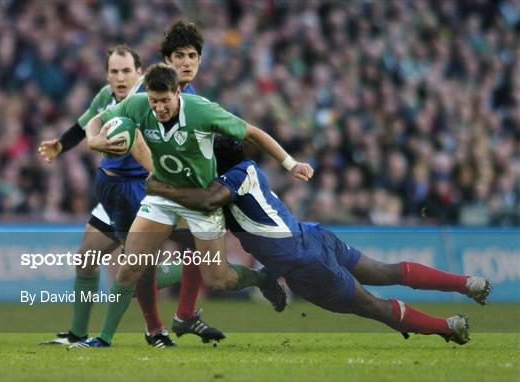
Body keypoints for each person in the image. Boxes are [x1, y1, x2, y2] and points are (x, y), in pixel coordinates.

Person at [143, 137, 493, 345]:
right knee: (385, 272)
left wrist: (161, 187)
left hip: (305, 263)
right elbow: (200, 225)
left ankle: (447, 327)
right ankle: (467, 284)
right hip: (313, 235)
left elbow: (207, 203)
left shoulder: (229, 182)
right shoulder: (247, 171)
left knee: (373, 307)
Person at [71, 63, 312, 348]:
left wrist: (290, 163)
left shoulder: (201, 110)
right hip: (161, 196)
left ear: (177, 93)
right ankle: (103, 339)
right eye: (154, 100)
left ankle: (261, 279)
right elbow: (97, 119)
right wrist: (95, 140)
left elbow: (252, 133)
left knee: (219, 279)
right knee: (131, 267)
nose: (159, 108)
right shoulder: (137, 105)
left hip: (199, 201)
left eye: (165, 101)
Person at [38, 39, 222, 348]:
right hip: (108, 188)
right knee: (86, 259)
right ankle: (77, 333)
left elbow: (156, 136)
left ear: (140, 72)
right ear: (107, 74)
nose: (120, 77)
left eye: (126, 71)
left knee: (139, 268)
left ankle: (154, 329)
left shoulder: (149, 98)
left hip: (137, 188)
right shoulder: (105, 96)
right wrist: (60, 146)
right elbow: (84, 126)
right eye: (114, 71)